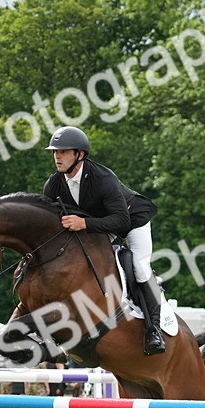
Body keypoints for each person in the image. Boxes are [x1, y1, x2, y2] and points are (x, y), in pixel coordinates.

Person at [43, 125, 165, 356]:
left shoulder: (102, 178)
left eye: (64, 151)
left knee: (139, 267)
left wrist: (84, 224)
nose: (57, 156)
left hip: (131, 220)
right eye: (55, 152)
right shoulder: (54, 184)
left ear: (80, 155)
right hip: (98, 224)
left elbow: (120, 220)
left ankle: (153, 330)